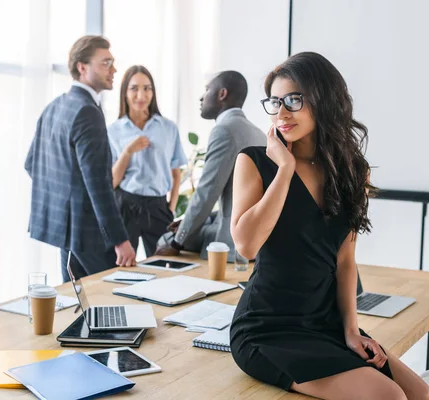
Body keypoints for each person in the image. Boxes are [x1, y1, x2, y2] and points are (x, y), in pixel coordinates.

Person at [229, 52, 429, 400]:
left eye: (294, 100)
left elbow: (345, 260)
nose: (282, 112)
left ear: (324, 100)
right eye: (276, 102)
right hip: (268, 328)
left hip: (325, 322)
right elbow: (245, 246)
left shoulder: (353, 170)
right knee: (390, 397)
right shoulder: (255, 161)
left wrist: (351, 331)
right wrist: (285, 169)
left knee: (421, 394)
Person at [25, 36, 136, 282]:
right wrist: (120, 240)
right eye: (106, 63)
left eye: (113, 62)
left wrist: (66, 206)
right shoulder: (88, 112)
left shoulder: (55, 106)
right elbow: (99, 185)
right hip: (89, 233)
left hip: (66, 233)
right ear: (82, 68)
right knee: (114, 302)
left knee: (78, 305)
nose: (114, 69)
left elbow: (32, 163)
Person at [155, 71, 265, 262]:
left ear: (222, 94)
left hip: (232, 240)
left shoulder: (224, 130)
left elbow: (207, 193)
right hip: (257, 237)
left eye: (207, 90)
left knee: (165, 239)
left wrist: (176, 243)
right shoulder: (258, 133)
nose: (201, 97)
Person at [108, 65, 188, 256]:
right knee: (123, 266)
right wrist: (128, 151)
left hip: (158, 207)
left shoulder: (168, 128)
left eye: (147, 88)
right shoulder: (113, 131)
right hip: (126, 205)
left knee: (165, 264)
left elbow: (176, 174)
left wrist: (170, 208)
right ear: (125, 93)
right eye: (134, 88)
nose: (141, 95)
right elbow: (111, 181)